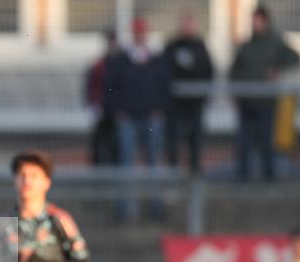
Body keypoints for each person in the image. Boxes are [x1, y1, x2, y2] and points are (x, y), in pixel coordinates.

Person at [230, 7, 300, 181]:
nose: (255, 24)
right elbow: (234, 72)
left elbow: (294, 57)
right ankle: (243, 175)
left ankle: (268, 175)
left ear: (266, 21)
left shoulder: (275, 43)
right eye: (254, 20)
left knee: (266, 141)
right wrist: (234, 95)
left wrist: (277, 70)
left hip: (266, 102)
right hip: (246, 102)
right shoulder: (246, 46)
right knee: (244, 142)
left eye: (259, 20)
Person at [105, 17, 170, 168]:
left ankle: (154, 191)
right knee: (126, 158)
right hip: (127, 118)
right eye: (137, 32)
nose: (140, 35)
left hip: (152, 116)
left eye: (142, 32)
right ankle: (127, 192)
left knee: (154, 157)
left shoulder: (156, 60)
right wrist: (118, 111)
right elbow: (110, 87)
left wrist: (160, 109)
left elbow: (165, 86)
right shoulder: (121, 60)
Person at [163, 13, 213, 174]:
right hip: (176, 104)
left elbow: (209, 71)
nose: (187, 27)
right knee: (174, 139)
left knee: (195, 138)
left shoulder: (200, 46)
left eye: (190, 23)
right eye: (185, 23)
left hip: (195, 103)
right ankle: (174, 170)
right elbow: (164, 72)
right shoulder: (172, 46)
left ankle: (194, 171)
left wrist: (204, 95)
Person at [84, 30, 120, 166]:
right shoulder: (99, 65)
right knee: (99, 140)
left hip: (116, 110)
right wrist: (93, 103)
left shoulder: (120, 63)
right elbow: (92, 85)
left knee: (115, 141)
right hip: (102, 108)